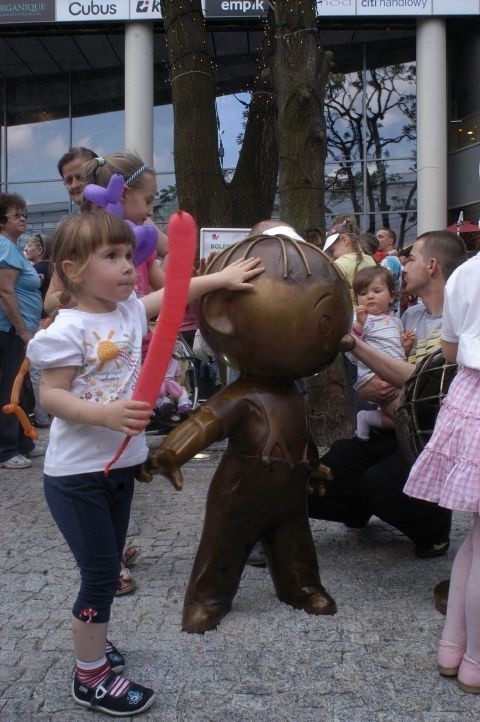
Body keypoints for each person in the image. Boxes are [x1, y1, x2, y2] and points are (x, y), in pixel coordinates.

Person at [26, 209, 263, 716]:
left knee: (107, 568)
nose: (129, 266)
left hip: (117, 469)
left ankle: (95, 640)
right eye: (110, 257)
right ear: (71, 269)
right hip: (75, 477)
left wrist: (221, 277)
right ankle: (89, 676)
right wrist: (105, 413)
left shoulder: (128, 311)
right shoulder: (67, 329)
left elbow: (173, 296)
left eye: (128, 255)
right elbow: (51, 397)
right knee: (99, 577)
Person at [308, 230, 467, 559]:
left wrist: (356, 346)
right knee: (321, 479)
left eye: (412, 259)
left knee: (380, 485)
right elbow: (389, 373)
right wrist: (368, 386)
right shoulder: (407, 317)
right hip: (390, 425)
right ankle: (357, 510)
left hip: (426, 438)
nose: (403, 266)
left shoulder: (461, 323)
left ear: (433, 265)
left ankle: (433, 529)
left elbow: (423, 380)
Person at [403, 249, 480, 693]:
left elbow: (450, 349)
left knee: (475, 535)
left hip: (468, 392)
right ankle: (474, 660)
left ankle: (453, 648)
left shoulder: (466, 272)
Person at [0, 193, 45, 469]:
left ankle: (21, 442)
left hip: (18, 331)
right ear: (2, 220)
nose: (23, 217)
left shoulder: (12, 247)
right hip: (10, 332)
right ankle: (6, 450)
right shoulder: (5, 246)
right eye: (17, 214)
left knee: (21, 386)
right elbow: (5, 291)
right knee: (10, 388)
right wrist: (21, 330)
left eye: (24, 212)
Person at [349, 266, 413, 440]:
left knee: (403, 414)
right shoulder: (361, 320)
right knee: (403, 412)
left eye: (376, 291)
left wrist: (405, 347)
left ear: (391, 296)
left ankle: (367, 418)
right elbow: (351, 349)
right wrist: (359, 327)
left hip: (394, 374)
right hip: (373, 375)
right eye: (362, 293)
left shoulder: (396, 321)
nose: (369, 296)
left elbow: (397, 350)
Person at [24, 232, 53, 428]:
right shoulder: (54, 267)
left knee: (36, 371)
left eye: (29, 245)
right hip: (51, 320)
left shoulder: (36, 270)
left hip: (39, 322)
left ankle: (42, 417)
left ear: (40, 250)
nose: (26, 248)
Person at [322, 229, 376, 306]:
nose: (332, 257)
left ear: (344, 240)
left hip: (349, 314)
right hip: (371, 311)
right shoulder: (370, 260)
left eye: (332, 251)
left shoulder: (340, 263)